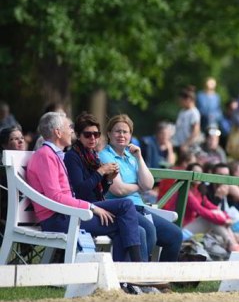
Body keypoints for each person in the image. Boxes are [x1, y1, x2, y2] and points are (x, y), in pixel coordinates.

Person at [25, 112, 142, 263]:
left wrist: (107, 181)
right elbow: (56, 197)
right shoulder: (45, 155)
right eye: (69, 127)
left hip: (66, 214)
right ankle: (135, 271)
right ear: (58, 132)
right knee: (125, 209)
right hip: (57, 218)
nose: (72, 131)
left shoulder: (54, 154)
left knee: (125, 216)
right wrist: (92, 207)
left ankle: (124, 277)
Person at [99, 114, 183, 263]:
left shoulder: (131, 157)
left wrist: (139, 157)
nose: (121, 135)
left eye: (126, 132)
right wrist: (139, 186)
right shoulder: (105, 156)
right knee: (148, 232)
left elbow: (149, 184)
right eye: (117, 131)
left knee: (175, 235)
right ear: (109, 133)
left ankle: (162, 279)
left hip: (140, 208)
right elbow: (118, 190)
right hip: (119, 209)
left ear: (131, 135)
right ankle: (140, 278)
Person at [171, 86, 202, 154]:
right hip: (178, 144)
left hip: (186, 146)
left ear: (188, 99)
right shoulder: (182, 111)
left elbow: (195, 132)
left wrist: (186, 144)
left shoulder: (194, 113)